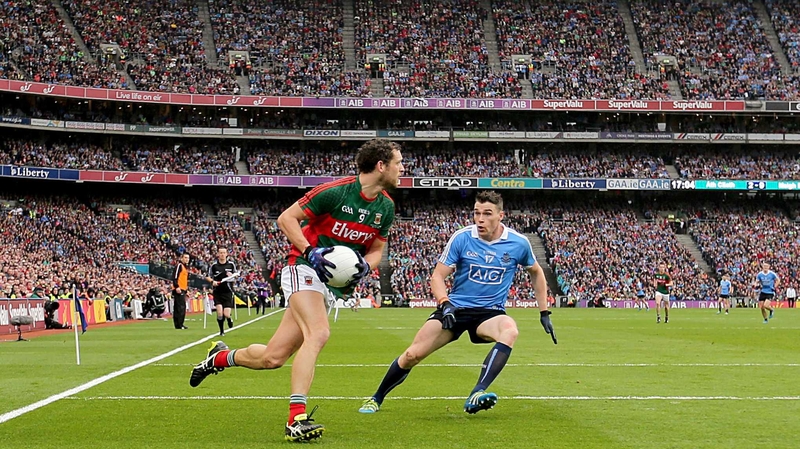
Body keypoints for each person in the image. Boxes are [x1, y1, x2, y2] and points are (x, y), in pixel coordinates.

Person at [188, 139, 403, 442]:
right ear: (381, 166)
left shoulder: (386, 207)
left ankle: (218, 358)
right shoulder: (335, 192)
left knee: (273, 358)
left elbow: (377, 249)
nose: (402, 168)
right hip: (302, 267)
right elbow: (286, 218)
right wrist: (310, 251)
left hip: (328, 284)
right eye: (399, 162)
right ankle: (296, 418)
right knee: (319, 333)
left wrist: (366, 267)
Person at [358, 191, 556, 416]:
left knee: (509, 330)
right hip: (455, 309)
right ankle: (376, 398)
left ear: (501, 215)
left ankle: (477, 392)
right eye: (476, 213)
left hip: (490, 313)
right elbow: (437, 276)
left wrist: (544, 311)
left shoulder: (518, 243)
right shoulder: (462, 238)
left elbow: (536, 272)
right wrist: (445, 304)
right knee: (413, 355)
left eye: (487, 214)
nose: (480, 219)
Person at [205, 248, 238, 336]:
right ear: (218, 254)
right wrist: (213, 282)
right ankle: (221, 331)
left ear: (226, 254)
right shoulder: (214, 266)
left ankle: (229, 319)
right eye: (220, 253)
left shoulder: (231, 265)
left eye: (224, 253)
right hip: (217, 292)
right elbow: (207, 276)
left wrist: (232, 276)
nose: (222, 254)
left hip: (228, 291)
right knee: (219, 313)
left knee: (226, 314)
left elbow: (236, 276)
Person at [172, 253, 190, 329]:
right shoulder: (179, 265)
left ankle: (178, 324)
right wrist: (177, 286)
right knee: (181, 307)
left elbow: (184, 280)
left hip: (183, 289)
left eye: (188, 258)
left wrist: (186, 290)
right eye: (185, 257)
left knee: (179, 307)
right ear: (181, 258)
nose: (187, 259)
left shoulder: (185, 267)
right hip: (179, 289)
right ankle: (180, 324)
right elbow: (175, 276)